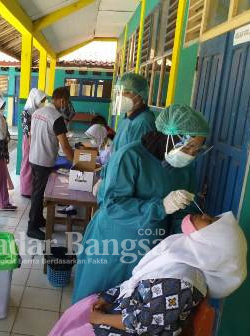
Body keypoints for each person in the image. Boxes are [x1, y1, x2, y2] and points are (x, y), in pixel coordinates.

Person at [72, 104, 210, 303]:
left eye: (196, 149)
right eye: (187, 146)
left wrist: (187, 236)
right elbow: (113, 205)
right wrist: (161, 206)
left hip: (151, 247)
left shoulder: (184, 168)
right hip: (114, 242)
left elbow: (183, 212)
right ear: (169, 135)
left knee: (131, 309)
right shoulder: (131, 156)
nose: (190, 154)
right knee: (95, 302)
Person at [50, 211, 247, 336]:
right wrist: (106, 298)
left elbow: (147, 324)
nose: (204, 215)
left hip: (130, 328)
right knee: (77, 312)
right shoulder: (180, 254)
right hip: (123, 311)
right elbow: (138, 281)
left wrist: (101, 319)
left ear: (213, 245)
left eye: (210, 222)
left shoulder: (181, 282)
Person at [27, 87, 75, 240]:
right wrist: (76, 163)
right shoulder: (56, 117)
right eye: (66, 102)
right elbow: (65, 146)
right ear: (62, 100)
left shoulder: (37, 112)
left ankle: (39, 218)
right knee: (38, 193)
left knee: (38, 192)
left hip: (34, 157)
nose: (66, 105)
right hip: (44, 160)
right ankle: (32, 227)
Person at [112, 73, 155, 152]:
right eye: (119, 92)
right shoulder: (127, 118)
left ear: (140, 95)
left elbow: (133, 156)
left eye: (127, 92)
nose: (121, 96)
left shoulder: (143, 122)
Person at [0, 95, 17, 211]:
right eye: (1, 106)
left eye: (3, 106)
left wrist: (6, 155)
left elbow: (5, 138)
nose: (2, 108)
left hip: (1, 154)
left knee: (1, 178)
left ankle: (3, 202)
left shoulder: (2, 118)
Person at [20, 88, 47, 198]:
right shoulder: (26, 112)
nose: (43, 103)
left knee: (33, 163)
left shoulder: (37, 111)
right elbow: (27, 131)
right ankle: (25, 190)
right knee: (27, 162)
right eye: (42, 100)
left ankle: (31, 188)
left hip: (35, 139)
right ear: (35, 99)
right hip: (28, 140)